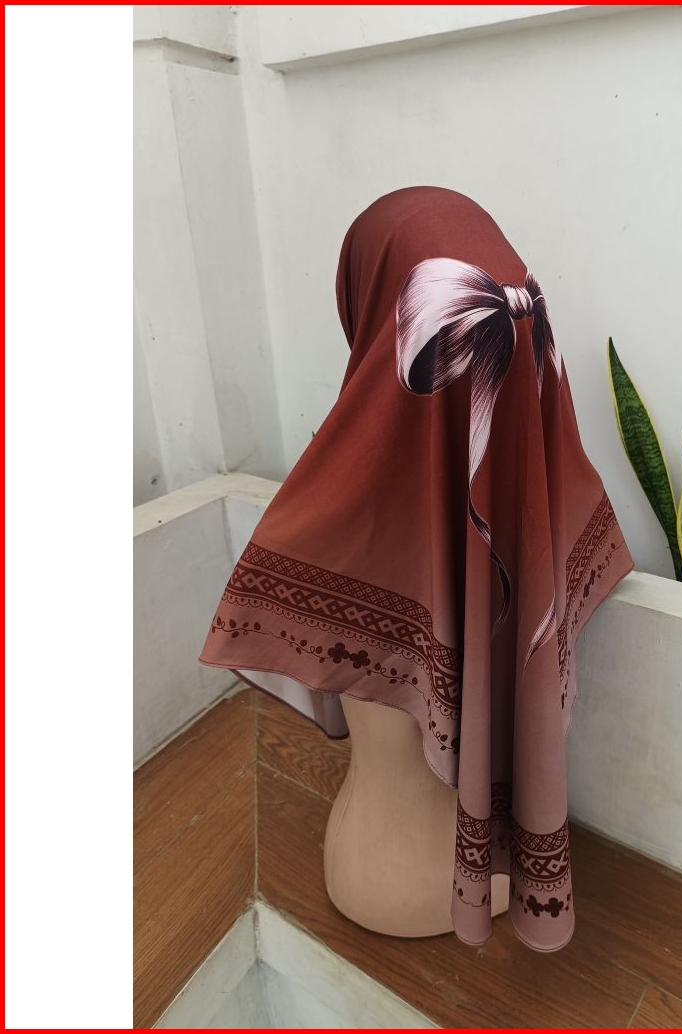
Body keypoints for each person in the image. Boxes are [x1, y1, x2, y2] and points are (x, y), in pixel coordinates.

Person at [199, 186, 633, 951]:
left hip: (377, 864)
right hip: (471, 869)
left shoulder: (330, 508)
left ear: (377, 303)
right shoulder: (556, 492)